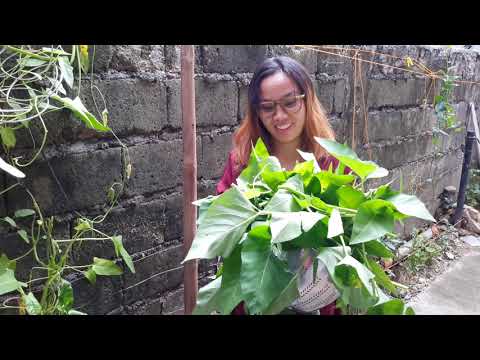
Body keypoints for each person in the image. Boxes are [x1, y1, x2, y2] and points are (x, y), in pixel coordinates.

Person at [216, 56, 344, 315]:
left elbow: (347, 234)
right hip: (253, 301)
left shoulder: (332, 164)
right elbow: (222, 224)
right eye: (267, 107)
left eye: (290, 103)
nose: (280, 116)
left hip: (314, 298)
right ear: (256, 111)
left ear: (307, 99)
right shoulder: (243, 162)